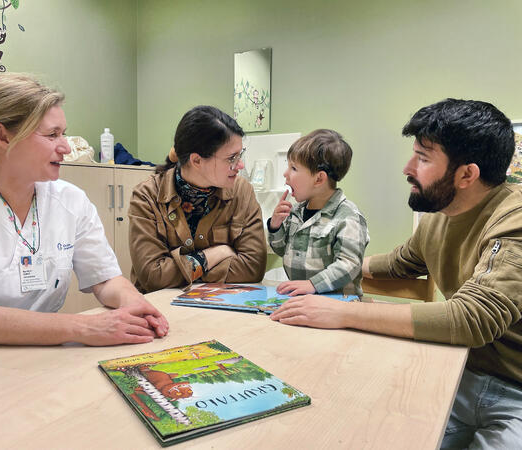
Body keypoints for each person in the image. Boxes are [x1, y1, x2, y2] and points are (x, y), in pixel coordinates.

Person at [270, 98, 522, 448]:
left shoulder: (514, 220)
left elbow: (472, 318)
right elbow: (400, 262)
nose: (407, 168)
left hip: (514, 393)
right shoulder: (439, 216)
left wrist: (344, 311)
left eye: (422, 158)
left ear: (467, 174)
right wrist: (336, 267)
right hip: (455, 372)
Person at [0, 73, 168, 356]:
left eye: (63, 133)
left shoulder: (70, 200)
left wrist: (134, 304)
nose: (66, 147)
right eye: (52, 135)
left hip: (40, 357)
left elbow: (105, 279)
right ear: (2, 136)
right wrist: (84, 328)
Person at [128, 105, 267, 293]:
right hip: (158, 309)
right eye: (231, 158)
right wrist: (214, 255)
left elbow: (253, 268)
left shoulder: (242, 192)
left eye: (240, 155)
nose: (240, 165)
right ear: (197, 161)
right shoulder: (147, 196)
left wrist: (182, 271)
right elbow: (153, 277)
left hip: (219, 306)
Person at [267, 129, 369, 297]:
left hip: (339, 307)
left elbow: (348, 264)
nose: (285, 174)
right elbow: (281, 250)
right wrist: (275, 225)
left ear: (319, 179)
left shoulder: (348, 217)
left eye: (293, 168)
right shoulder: (296, 212)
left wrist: (312, 284)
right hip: (302, 302)